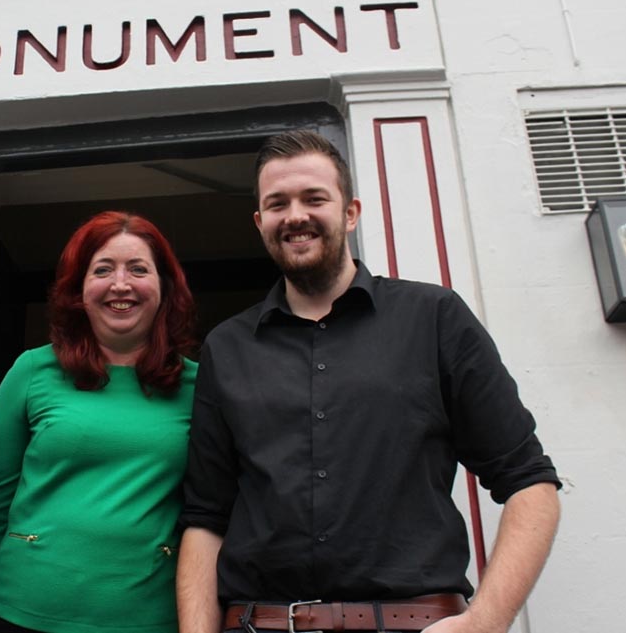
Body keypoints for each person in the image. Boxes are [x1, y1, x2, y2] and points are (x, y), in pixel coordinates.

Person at [176, 130, 561, 633]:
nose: (296, 215)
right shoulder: (226, 347)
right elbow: (206, 520)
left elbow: (530, 483)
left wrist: (486, 621)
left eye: (315, 198)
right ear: (260, 222)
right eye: (278, 203)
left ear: (351, 212)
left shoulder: (434, 317)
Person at [0, 211, 197, 633]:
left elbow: (212, 514)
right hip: (20, 613)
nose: (121, 284)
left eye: (138, 269)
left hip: (147, 618)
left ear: (164, 286)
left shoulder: (199, 385)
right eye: (103, 270)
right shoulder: (33, 370)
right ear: (80, 290)